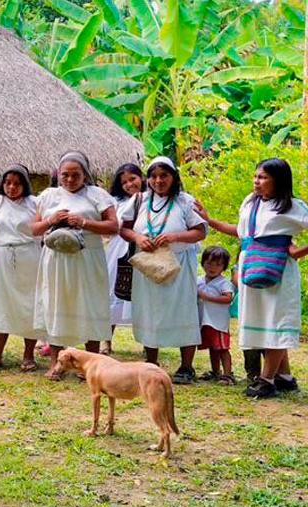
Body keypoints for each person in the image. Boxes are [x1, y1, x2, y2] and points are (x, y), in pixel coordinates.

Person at [195, 158, 308, 398]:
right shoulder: (251, 202)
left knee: (275, 319)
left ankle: (266, 380)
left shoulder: (293, 207)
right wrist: (209, 220)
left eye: (263, 177)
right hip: (251, 264)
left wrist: (296, 249)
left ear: (278, 180)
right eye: (256, 176)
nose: (257, 181)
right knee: (262, 319)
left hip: (277, 269)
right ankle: (284, 377)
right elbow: (241, 231)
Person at [31, 151, 120, 380]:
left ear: (85, 174)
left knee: (88, 303)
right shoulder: (49, 196)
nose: (70, 180)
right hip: (56, 258)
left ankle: (90, 365)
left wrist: (84, 222)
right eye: (65, 175)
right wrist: (52, 221)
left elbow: (113, 226)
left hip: (87, 257)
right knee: (56, 303)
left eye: (75, 175)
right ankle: (56, 363)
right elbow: (33, 229)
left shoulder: (97, 195)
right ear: (58, 174)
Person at [119, 157, 206, 382]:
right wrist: (138, 237)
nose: (158, 180)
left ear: (174, 177)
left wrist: (175, 236)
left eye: (164, 176)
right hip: (147, 267)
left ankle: (186, 367)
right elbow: (123, 229)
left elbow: (200, 231)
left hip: (178, 266)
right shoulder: (140, 200)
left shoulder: (185, 202)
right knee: (150, 311)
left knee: (183, 310)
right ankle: (151, 362)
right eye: (154, 176)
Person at [0, 165, 41, 371]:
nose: (11, 187)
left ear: (25, 185)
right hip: (0, 257)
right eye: (7, 183)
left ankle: (29, 355)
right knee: (0, 305)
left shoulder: (35, 203)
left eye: (17, 183)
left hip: (29, 257)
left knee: (29, 305)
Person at [104, 164, 144, 354]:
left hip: (144, 250)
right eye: (125, 182)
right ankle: (106, 340)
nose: (129, 184)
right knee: (113, 291)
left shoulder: (151, 200)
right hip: (118, 251)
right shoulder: (115, 203)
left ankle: (149, 342)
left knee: (143, 295)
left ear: (141, 177)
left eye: (133, 179)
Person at [197, 246, 236, 384]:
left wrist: (207, 297)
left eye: (218, 264)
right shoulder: (199, 280)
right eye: (209, 263)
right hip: (204, 321)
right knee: (212, 348)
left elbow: (228, 298)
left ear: (224, 267)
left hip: (218, 322)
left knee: (222, 348)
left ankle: (228, 374)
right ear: (203, 263)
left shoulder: (223, 283)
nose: (212, 267)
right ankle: (215, 371)